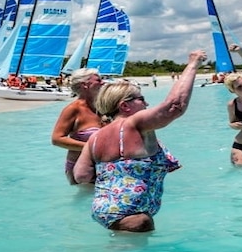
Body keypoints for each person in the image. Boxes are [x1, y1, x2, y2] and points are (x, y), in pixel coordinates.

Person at [74, 50, 208, 232]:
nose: (146, 105)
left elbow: (81, 176)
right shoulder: (133, 123)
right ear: (124, 106)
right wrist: (193, 64)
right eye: (141, 99)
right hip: (133, 215)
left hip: (104, 209)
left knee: (126, 251)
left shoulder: (95, 138)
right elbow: (175, 106)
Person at [50, 68, 103, 185]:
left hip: (103, 166)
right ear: (85, 85)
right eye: (98, 80)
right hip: (80, 168)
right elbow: (57, 139)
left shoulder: (102, 107)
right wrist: (90, 149)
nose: (103, 83)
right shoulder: (73, 109)